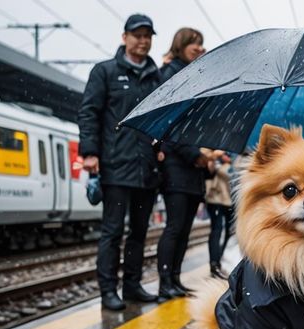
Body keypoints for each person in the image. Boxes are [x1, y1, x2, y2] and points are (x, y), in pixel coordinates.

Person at [78, 13, 163, 312]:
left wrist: (161, 148)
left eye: (147, 36)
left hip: (147, 168)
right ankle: (107, 291)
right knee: (112, 231)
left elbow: (161, 120)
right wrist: (90, 153)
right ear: (124, 37)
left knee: (140, 232)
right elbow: (89, 113)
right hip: (115, 166)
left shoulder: (157, 77)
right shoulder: (105, 72)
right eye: (137, 35)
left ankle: (132, 284)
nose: (143, 41)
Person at [153, 27, 207, 300]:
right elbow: (170, 125)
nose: (199, 48)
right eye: (193, 43)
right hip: (177, 165)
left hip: (191, 168)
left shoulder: (191, 75)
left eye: (201, 44)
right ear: (180, 45)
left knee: (184, 226)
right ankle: (165, 281)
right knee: (175, 225)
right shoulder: (171, 74)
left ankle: (174, 278)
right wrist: (194, 154)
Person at [203, 151, 233, 279]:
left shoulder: (233, 157)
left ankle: (222, 259)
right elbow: (208, 170)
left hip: (229, 200)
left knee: (230, 231)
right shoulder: (210, 153)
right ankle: (214, 264)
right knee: (217, 230)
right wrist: (217, 157)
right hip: (214, 198)